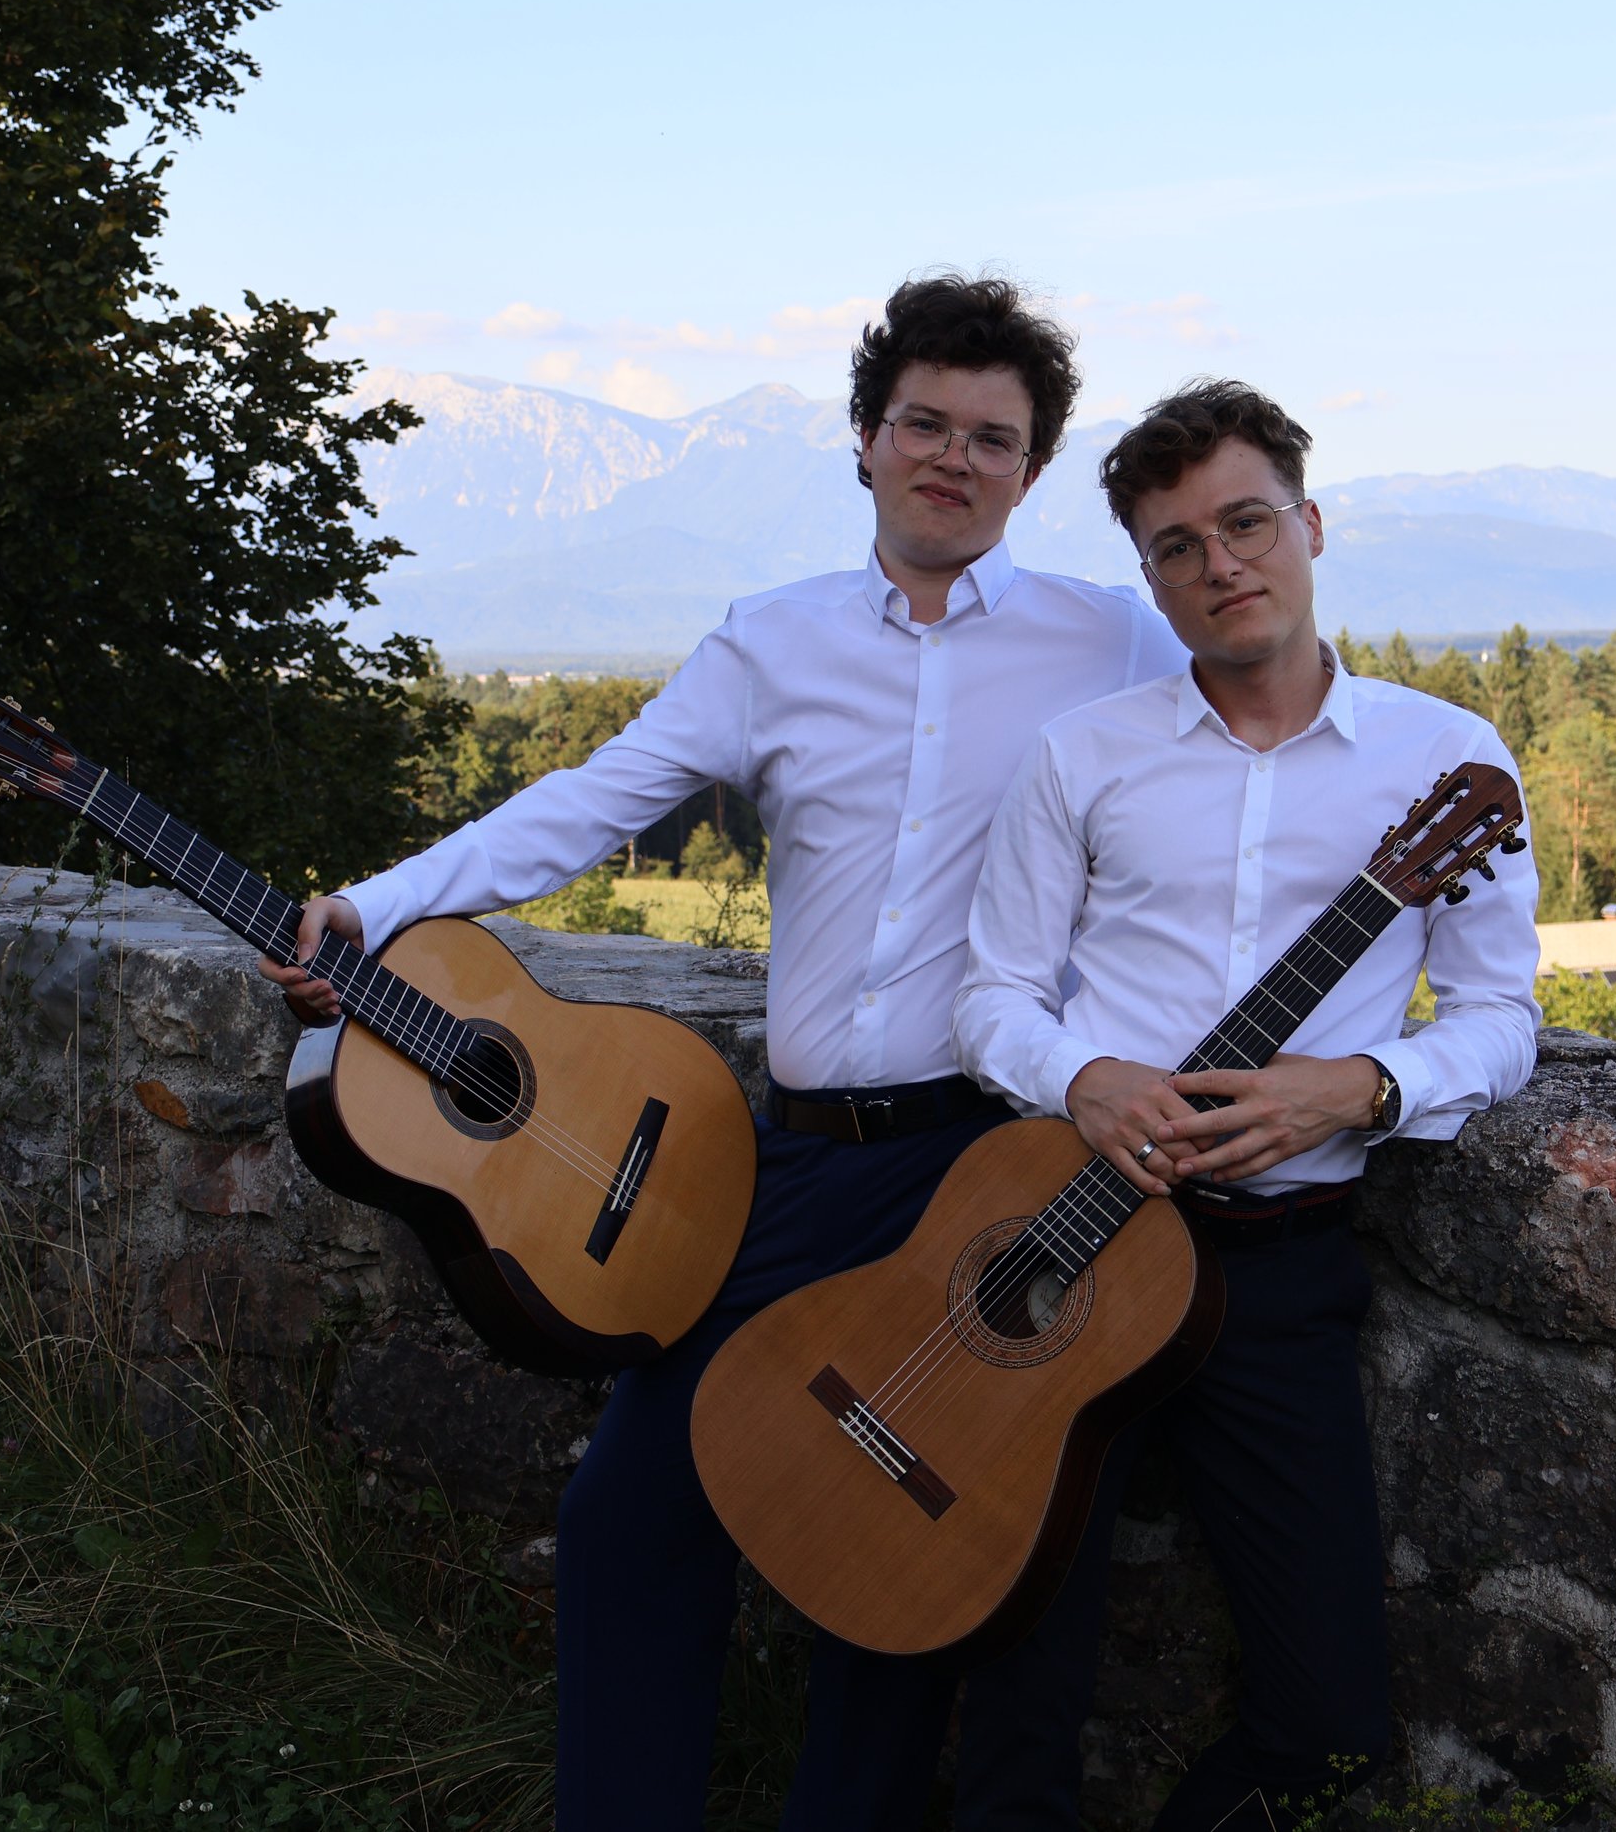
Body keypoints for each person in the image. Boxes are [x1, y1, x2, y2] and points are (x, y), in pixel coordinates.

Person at [256, 275, 1189, 1830]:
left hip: (996, 1164)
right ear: (868, 440)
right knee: (634, 1518)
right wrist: (376, 908)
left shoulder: (1116, 645)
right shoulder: (772, 645)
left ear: (1032, 470)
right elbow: (587, 803)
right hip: (798, 1164)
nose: (953, 458)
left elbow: (1262, 770)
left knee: (890, 1560)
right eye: (924, 425)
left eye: (992, 437)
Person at [946, 380, 1542, 1829]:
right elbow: (992, 997)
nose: (1220, 564)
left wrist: (1364, 1085)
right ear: (1151, 575)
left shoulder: (1442, 762)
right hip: (1063, 1243)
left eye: (1246, 522)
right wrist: (1081, 1080)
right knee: (1007, 1666)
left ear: (1310, 523)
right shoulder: (1083, 755)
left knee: (1328, 1723)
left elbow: (1500, 1015)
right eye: (1176, 546)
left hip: (1274, 1274)